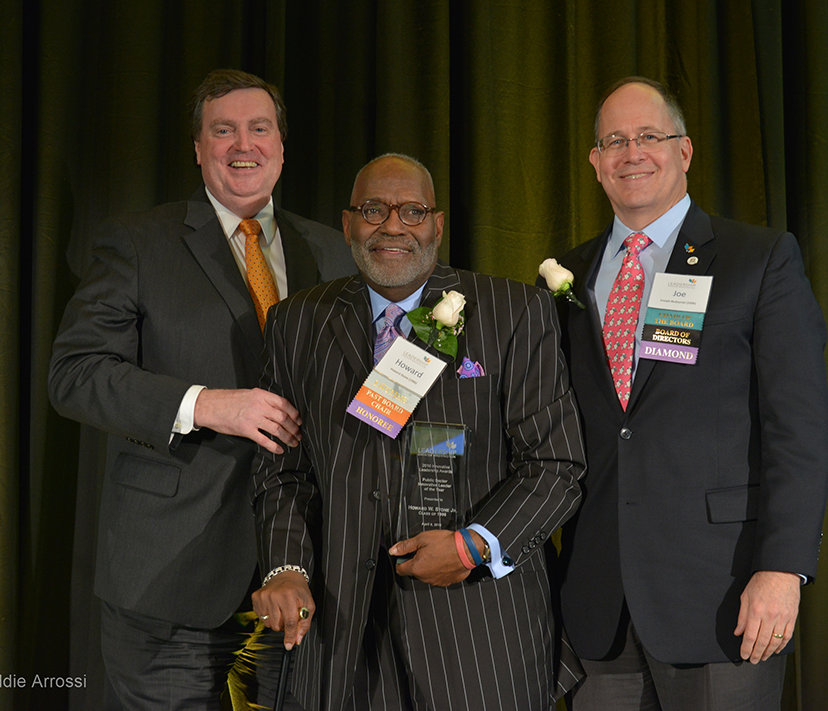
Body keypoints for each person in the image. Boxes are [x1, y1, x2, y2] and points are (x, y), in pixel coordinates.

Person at [48, 69, 355, 709]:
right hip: (169, 581)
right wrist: (207, 404)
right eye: (223, 130)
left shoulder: (333, 253)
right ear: (198, 147)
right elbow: (75, 375)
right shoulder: (137, 242)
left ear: (281, 142)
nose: (243, 144)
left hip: (303, 581)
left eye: (258, 128)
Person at [250, 153, 587, 711]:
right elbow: (284, 469)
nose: (392, 226)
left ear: (437, 224)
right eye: (373, 210)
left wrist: (473, 545)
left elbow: (556, 466)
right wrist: (287, 568)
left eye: (412, 211)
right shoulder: (298, 322)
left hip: (479, 635)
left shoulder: (512, 311)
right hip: (340, 635)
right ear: (347, 223)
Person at [548, 76, 828, 710]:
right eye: (614, 141)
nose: (632, 152)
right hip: (599, 607)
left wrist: (782, 570)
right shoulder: (567, 277)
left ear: (685, 151)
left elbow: (799, 431)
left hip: (722, 598)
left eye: (650, 136)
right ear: (595, 163)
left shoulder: (757, 259)